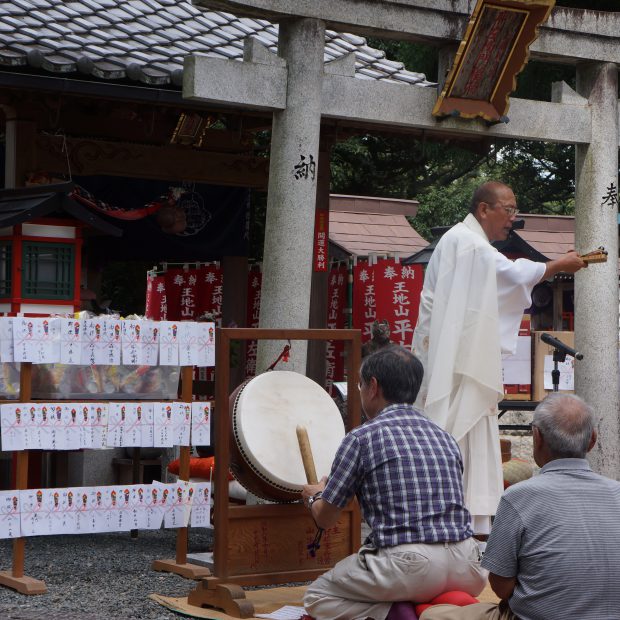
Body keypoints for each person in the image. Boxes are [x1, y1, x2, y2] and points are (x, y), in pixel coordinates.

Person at [412, 181, 586, 534]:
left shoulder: (465, 242)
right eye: (508, 210)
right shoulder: (468, 243)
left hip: (458, 355)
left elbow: (498, 284)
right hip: (458, 361)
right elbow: (509, 274)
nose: (512, 219)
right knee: (459, 428)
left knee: (470, 429)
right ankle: (457, 517)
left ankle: (471, 519)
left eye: (514, 211)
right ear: (484, 209)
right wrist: (557, 265)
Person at [302, 345, 486, 620]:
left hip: (410, 565)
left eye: (361, 385)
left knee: (317, 597)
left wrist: (314, 495)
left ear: (373, 387)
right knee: (423, 579)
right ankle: (445, 603)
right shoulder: (444, 436)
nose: (361, 391)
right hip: (468, 565)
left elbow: (326, 519)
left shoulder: (362, 438)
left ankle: (394, 612)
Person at [419, 393, 620, 620]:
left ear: (537, 437)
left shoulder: (518, 497)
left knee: (433, 615)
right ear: (593, 440)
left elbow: (501, 586)